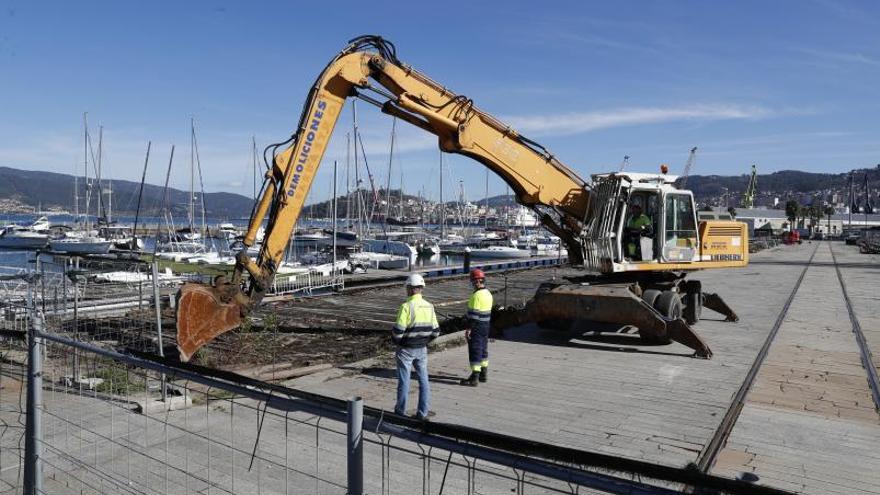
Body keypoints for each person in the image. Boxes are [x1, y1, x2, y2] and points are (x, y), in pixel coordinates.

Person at [393, 273, 440, 420]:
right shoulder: (429, 306)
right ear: (421, 288)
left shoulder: (406, 307)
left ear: (411, 289)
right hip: (422, 348)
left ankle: (400, 411)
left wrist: (396, 341)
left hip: (406, 349)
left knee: (404, 381)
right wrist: (425, 341)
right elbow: (436, 332)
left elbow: (398, 331)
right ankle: (423, 412)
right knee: (424, 380)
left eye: (407, 288)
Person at [460, 269, 493, 386]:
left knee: (475, 350)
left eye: (473, 281)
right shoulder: (488, 293)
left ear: (477, 281)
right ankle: (483, 374)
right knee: (483, 349)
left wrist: (469, 329)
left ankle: (474, 377)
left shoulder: (476, 296)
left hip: (477, 326)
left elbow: (473, 316)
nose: (472, 284)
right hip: (486, 325)